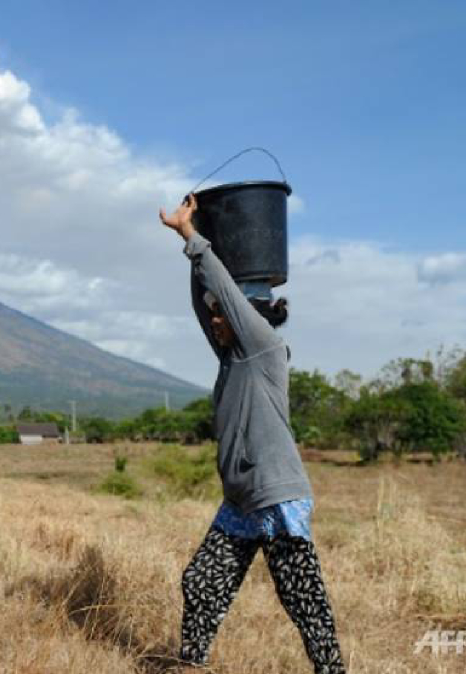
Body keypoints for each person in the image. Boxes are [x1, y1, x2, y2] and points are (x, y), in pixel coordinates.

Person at [158, 194, 347, 673]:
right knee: (201, 581)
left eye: (221, 313)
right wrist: (193, 234)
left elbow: (222, 289)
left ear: (244, 312)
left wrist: (191, 239)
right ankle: (191, 665)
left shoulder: (264, 347)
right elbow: (207, 298)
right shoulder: (232, 358)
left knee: (303, 600)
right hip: (242, 501)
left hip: (276, 497)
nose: (213, 319)